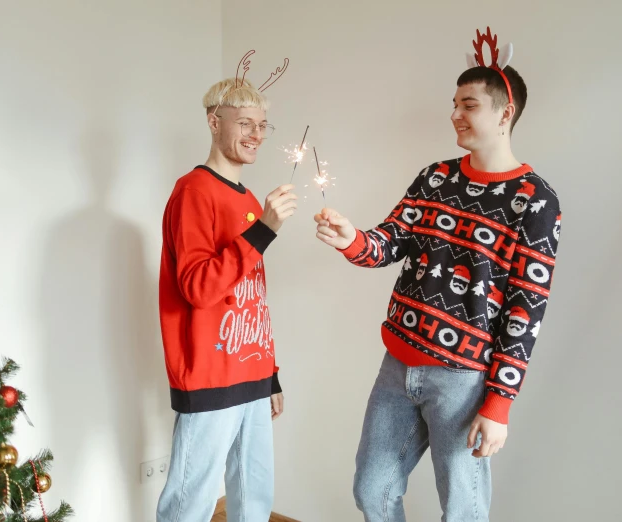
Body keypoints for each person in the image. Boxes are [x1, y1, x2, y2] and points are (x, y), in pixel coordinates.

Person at [315, 28, 562, 521]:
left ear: (504, 113)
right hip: (397, 365)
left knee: (463, 511)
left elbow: (525, 310)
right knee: (372, 490)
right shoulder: (436, 178)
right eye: (455, 103)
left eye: (468, 105)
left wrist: (498, 405)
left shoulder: (535, 200)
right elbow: (390, 240)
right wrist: (351, 240)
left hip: (464, 380)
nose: (455, 114)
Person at [156, 72, 297, 521]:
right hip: (210, 375)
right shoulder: (193, 190)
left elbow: (252, 295)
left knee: (254, 500)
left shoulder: (251, 198)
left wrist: (269, 373)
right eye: (245, 124)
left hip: (251, 373)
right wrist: (263, 231)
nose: (256, 135)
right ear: (215, 121)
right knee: (188, 503)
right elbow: (198, 286)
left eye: (262, 126)